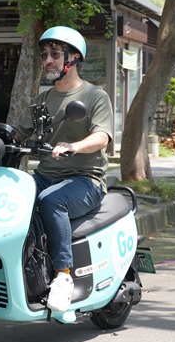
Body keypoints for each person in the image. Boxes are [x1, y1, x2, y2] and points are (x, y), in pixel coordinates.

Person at [13, 26, 114, 314]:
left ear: (74, 58)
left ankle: (63, 277)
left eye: (55, 54)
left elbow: (102, 137)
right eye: (45, 55)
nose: (48, 60)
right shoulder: (42, 100)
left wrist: (74, 146)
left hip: (86, 180)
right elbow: (17, 133)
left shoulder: (95, 96)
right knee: (13, 197)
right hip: (46, 176)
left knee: (51, 201)